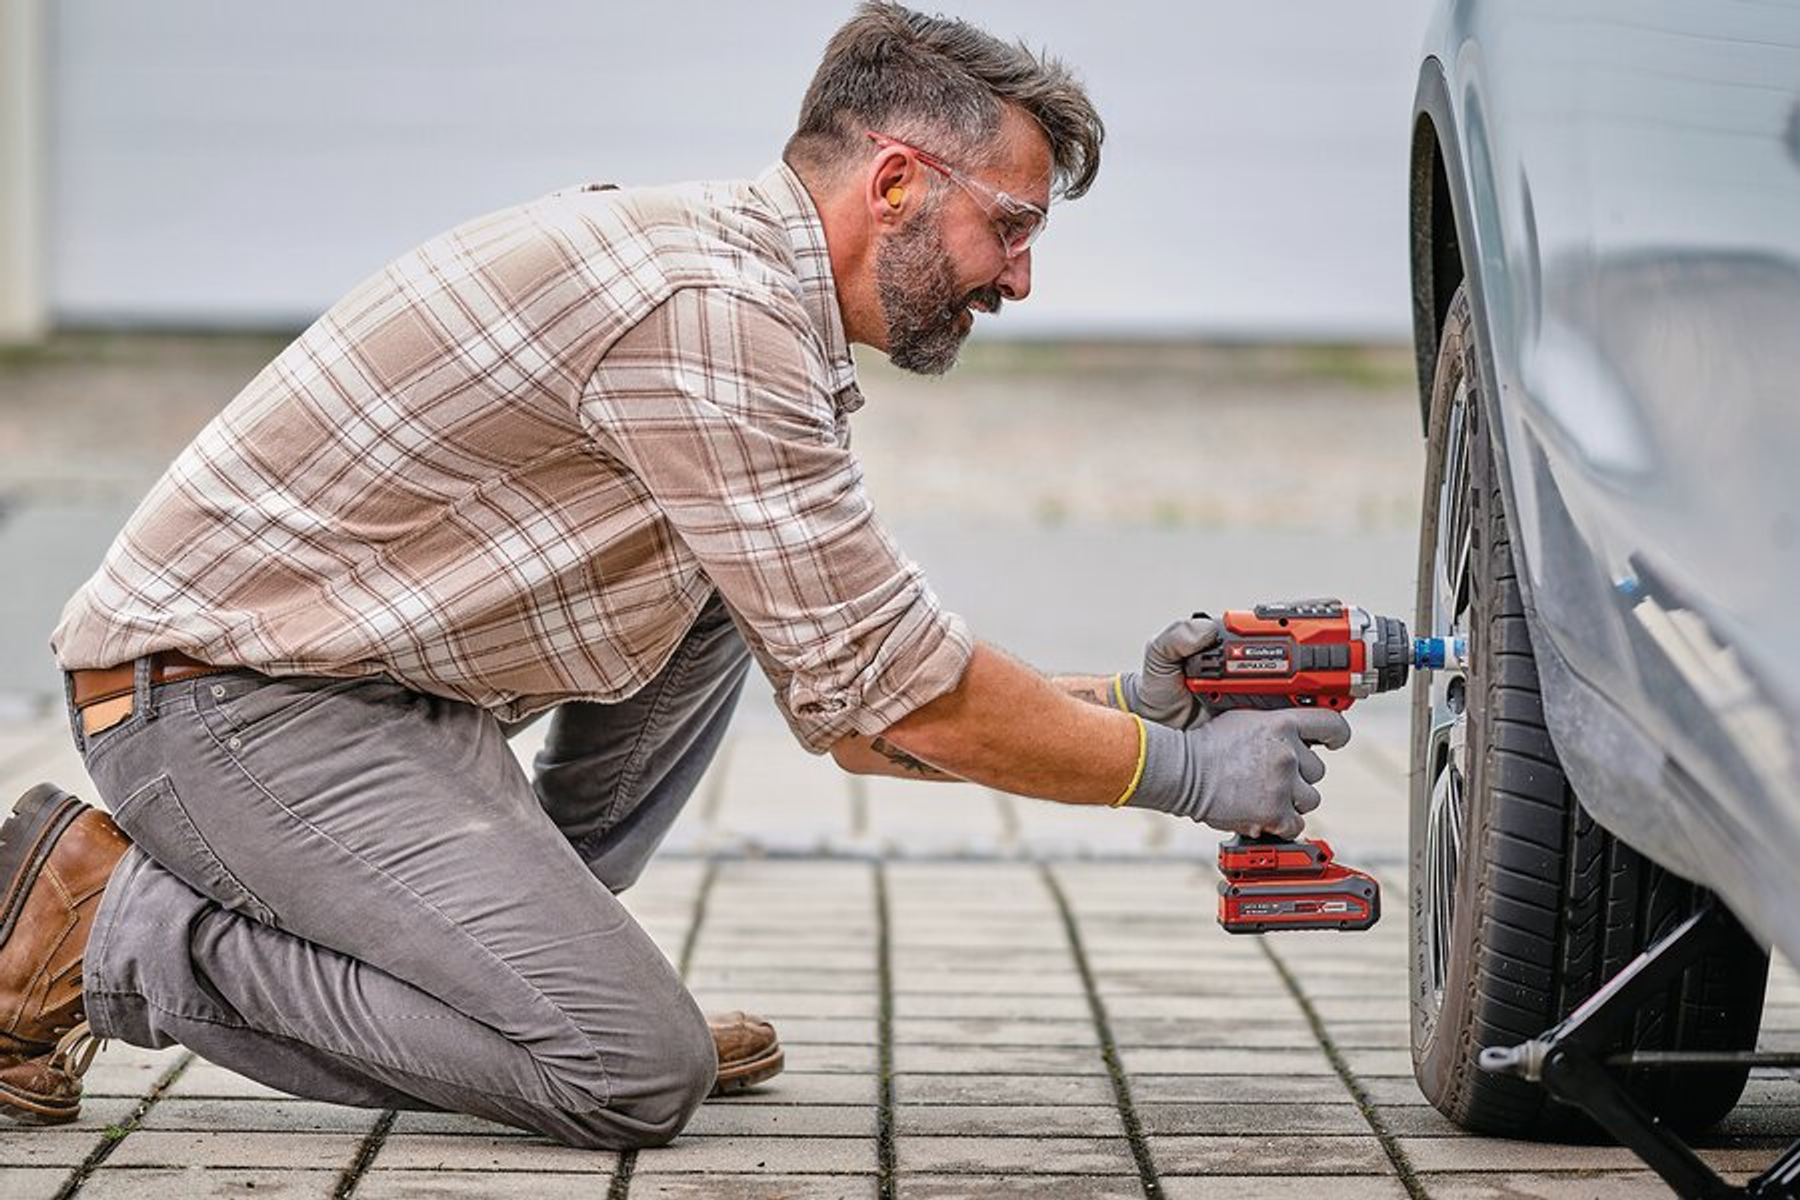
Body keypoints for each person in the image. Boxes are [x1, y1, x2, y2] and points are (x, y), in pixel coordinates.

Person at [0, 2, 1348, 1147]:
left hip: (343, 696)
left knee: (738, 594)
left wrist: (1132, 699)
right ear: (894, 187)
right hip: (216, 709)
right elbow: (904, 703)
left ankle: (538, 967)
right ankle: (96, 921)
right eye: (1010, 226)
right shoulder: (712, 321)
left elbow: (856, 692)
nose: (1024, 277)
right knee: (631, 1071)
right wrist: (1172, 776)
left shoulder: (740, 292)